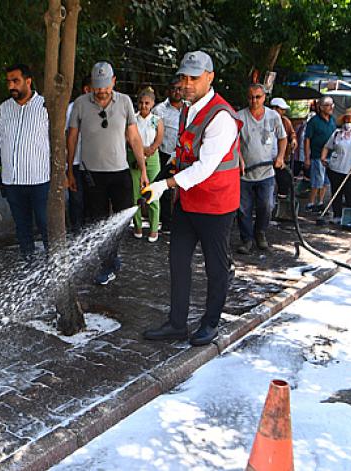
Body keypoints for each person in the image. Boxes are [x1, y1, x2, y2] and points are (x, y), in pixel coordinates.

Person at [140, 51, 242, 346]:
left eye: (194, 78)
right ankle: (177, 323)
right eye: (183, 77)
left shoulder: (221, 116)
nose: (187, 83)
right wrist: (164, 174)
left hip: (216, 204)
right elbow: (184, 151)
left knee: (215, 267)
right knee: (178, 261)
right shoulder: (187, 108)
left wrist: (165, 185)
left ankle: (211, 323)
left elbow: (205, 167)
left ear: (210, 77)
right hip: (188, 201)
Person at [67, 61, 149, 285]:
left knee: (121, 221)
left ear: (113, 81)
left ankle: (111, 257)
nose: (101, 91)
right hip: (92, 175)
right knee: (99, 221)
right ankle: (108, 263)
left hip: (119, 173)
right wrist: (69, 170)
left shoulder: (124, 102)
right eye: (97, 86)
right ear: (91, 85)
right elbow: (72, 137)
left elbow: (134, 138)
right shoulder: (81, 104)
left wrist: (143, 170)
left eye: (105, 86)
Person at [0, 63, 50, 259]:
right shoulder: (4, 108)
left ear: (28, 81)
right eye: (9, 82)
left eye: (16, 81)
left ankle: (53, 264)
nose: (11, 86)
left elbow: (57, 140)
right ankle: (28, 262)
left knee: (45, 223)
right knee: (22, 226)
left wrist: (62, 170)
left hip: (39, 179)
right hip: (12, 180)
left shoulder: (45, 106)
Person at [236, 84, 287, 254]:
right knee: (244, 209)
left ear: (264, 97)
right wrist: (240, 160)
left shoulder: (273, 117)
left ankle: (260, 232)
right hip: (245, 174)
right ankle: (246, 239)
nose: (254, 100)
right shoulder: (240, 117)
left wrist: (280, 157)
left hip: (266, 172)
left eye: (258, 97)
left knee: (267, 205)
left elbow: (282, 138)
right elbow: (233, 143)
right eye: (251, 97)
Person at [320, 106, 351, 224]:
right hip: (336, 168)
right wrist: (323, 157)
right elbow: (327, 146)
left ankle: (349, 218)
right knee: (336, 193)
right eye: (347, 119)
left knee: (350, 195)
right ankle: (337, 216)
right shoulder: (337, 134)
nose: (349, 121)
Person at [130, 86, 164, 242]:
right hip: (135, 159)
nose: (144, 106)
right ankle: (137, 226)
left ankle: (153, 228)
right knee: (135, 195)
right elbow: (130, 139)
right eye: (141, 103)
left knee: (153, 193)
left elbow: (159, 140)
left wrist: (149, 150)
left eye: (147, 103)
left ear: (152, 104)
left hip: (152, 159)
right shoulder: (133, 119)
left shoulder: (157, 121)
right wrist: (139, 153)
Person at [152, 77, 184, 228]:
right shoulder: (159, 110)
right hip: (165, 154)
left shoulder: (189, 108)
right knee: (165, 188)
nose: (177, 92)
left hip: (184, 154)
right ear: (168, 90)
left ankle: (183, 222)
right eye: (173, 89)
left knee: (184, 187)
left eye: (179, 89)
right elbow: (152, 132)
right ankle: (166, 222)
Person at [65, 75, 91, 233]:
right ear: (87, 89)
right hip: (75, 162)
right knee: (76, 200)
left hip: (94, 163)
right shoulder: (72, 108)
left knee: (92, 201)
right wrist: (67, 168)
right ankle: (77, 233)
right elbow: (67, 136)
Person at [304, 96, 336, 212]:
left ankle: (321, 202)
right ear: (321, 107)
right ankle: (311, 203)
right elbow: (307, 139)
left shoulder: (332, 120)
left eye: (332, 105)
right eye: (327, 105)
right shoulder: (314, 121)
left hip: (330, 156)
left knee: (326, 181)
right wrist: (307, 157)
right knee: (317, 180)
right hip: (317, 155)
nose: (330, 107)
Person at [270, 97, 296, 198]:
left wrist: (293, 140)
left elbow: (291, 134)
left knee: (284, 180)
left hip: (281, 159)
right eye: (282, 109)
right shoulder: (265, 119)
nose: (283, 112)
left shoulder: (285, 121)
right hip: (265, 159)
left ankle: (282, 199)